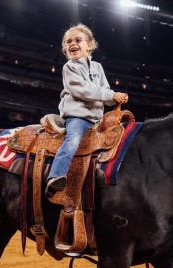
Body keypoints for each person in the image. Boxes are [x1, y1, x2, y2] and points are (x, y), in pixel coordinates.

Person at [45, 23, 129, 197]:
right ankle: (55, 175)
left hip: (97, 118)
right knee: (73, 141)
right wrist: (110, 95)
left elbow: (104, 89)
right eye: (68, 42)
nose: (72, 44)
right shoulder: (69, 67)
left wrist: (114, 99)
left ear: (89, 45)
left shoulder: (98, 67)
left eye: (77, 40)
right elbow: (81, 90)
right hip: (78, 117)